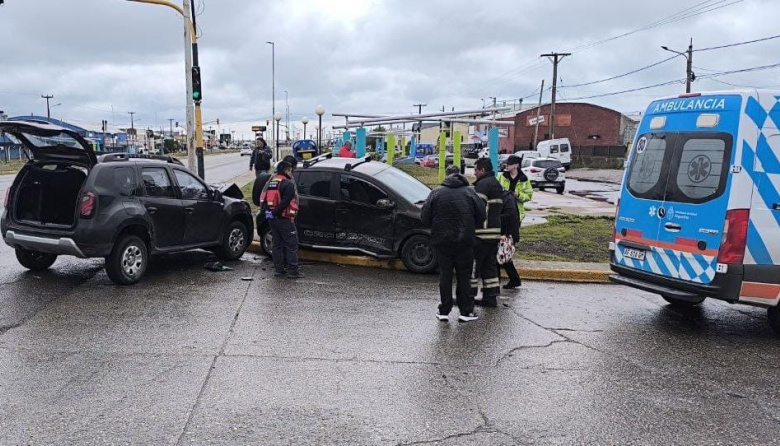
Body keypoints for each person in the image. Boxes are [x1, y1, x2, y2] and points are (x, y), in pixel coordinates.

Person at [422, 165, 485, 323]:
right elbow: (482, 215)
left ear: (446, 175)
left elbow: (424, 217)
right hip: (465, 242)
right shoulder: (470, 192)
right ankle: (465, 311)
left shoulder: (436, 193)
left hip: (442, 242)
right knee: (464, 276)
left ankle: (444, 310)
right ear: (460, 175)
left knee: (445, 275)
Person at [260, 161, 303, 279]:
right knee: (291, 245)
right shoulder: (288, 184)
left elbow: (265, 199)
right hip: (285, 219)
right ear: (285, 171)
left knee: (277, 245)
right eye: (290, 170)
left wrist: (271, 213)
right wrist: (277, 212)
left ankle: (279, 270)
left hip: (273, 220)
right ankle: (293, 271)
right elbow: (286, 201)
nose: (291, 172)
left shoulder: (273, 182)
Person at [471, 158, 505, 307]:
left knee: (473, 265)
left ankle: (468, 296)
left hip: (481, 233)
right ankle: (490, 297)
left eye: (476, 170)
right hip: (494, 233)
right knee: (489, 266)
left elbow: (477, 209)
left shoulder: (483, 185)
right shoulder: (496, 184)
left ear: (482, 170)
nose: (474, 173)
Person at [497, 155, 533, 289]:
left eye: (510, 164)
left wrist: (518, 195)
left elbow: (529, 196)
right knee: (503, 246)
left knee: (504, 245)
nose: (507, 165)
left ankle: (507, 279)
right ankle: (512, 278)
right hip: (503, 212)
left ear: (516, 165)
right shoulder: (502, 176)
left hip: (515, 215)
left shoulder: (524, 179)